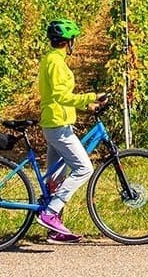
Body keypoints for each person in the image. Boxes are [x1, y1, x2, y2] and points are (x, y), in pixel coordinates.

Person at [36, 18, 104, 243]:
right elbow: (60, 96)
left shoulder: (52, 59)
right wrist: (90, 96)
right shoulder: (56, 63)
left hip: (55, 122)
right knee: (84, 169)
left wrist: (87, 105)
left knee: (55, 178)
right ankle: (50, 212)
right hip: (58, 125)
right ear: (69, 42)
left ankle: (54, 231)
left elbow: (62, 96)